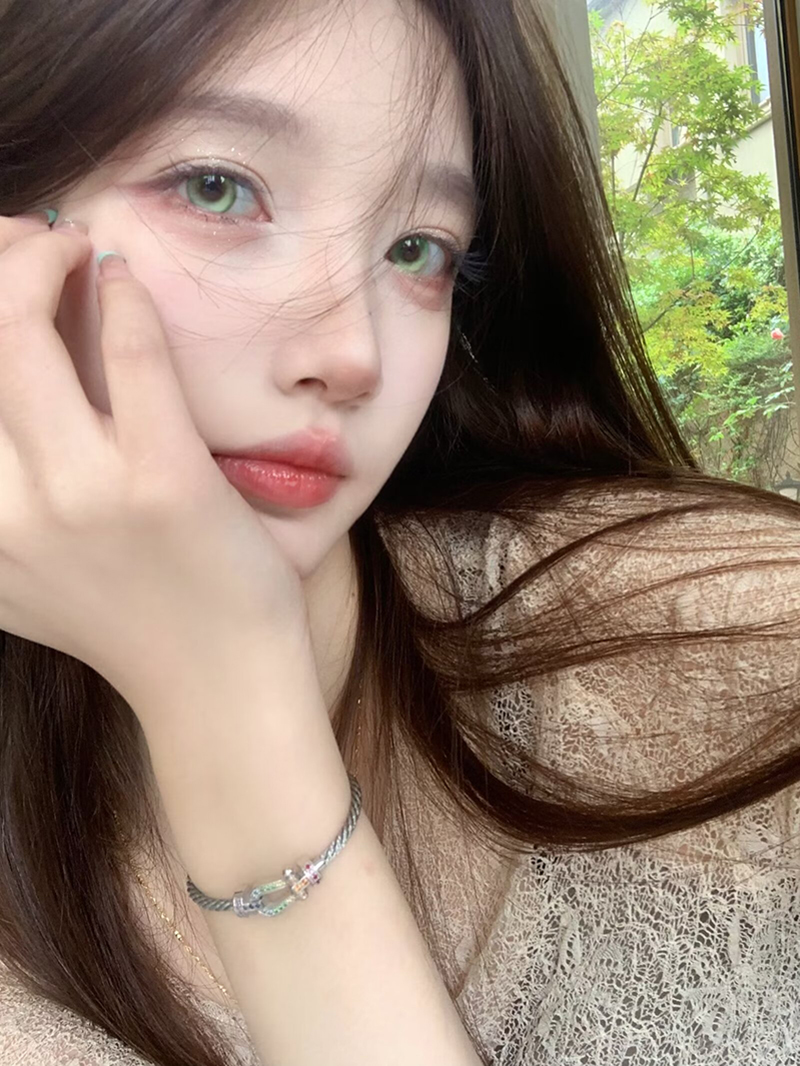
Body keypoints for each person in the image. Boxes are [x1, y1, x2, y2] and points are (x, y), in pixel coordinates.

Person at [0, 0, 799, 1063]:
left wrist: (221, 695)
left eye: (418, 250)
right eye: (216, 188)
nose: (353, 355)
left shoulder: (710, 630)